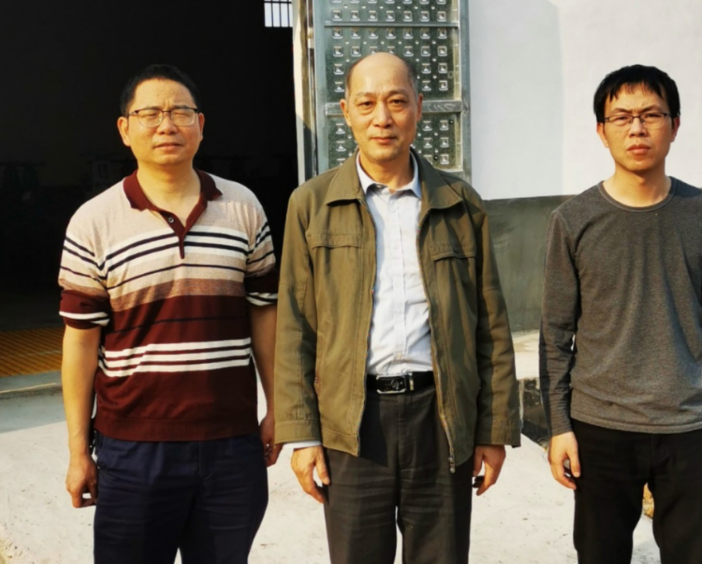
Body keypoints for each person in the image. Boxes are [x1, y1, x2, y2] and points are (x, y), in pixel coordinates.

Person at [274, 52, 521, 564]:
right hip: (352, 423)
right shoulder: (310, 204)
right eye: (366, 104)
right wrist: (302, 434)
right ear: (345, 111)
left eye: (396, 102)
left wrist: (493, 430)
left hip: (441, 418)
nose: (381, 118)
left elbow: (490, 326)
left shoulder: (460, 203)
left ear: (419, 108)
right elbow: (295, 326)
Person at [58, 64, 280, 564]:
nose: (166, 125)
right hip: (133, 448)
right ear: (125, 129)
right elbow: (80, 342)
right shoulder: (94, 221)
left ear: (201, 124)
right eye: (150, 114)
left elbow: (264, 316)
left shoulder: (243, 207)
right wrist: (77, 451)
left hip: (231, 444)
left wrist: (277, 407)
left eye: (180, 112)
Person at [540, 64, 702, 564]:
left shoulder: (698, 214)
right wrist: (559, 426)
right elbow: (555, 334)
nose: (637, 129)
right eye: (621, 117)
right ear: (601, 130)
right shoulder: (573, 221)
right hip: (600, 425)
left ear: (675, 125)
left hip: (690, 424)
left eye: (651, 115)